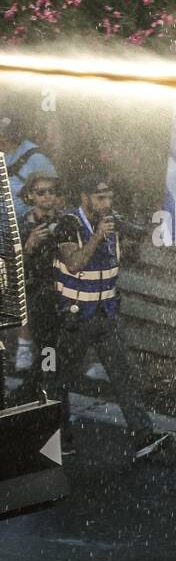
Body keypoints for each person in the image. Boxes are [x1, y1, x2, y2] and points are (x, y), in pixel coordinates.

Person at [48, 174, 171, 459]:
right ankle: (59, 438)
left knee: (124, 378)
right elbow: (74, 263)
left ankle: (143, 438)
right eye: (100, 198)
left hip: (107, 315)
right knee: (60, 381)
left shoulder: (111, 222)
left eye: (109, 198)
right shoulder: (69, 224)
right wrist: (98, 236)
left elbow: (136, 241)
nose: (107, 203)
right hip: (75, 318)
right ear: (85, 197)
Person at [12, 170, 63, 400]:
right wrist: (29, 245)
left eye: (51, 192)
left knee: (53, 350)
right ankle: (40, 391)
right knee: (49, 348)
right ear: (30, 195)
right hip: (36, 294)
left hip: (61, 293)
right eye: (41, 192)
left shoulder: (63, 222)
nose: (47, 197)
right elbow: (14, 267)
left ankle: (30, 392)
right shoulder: (21, 226)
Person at [1, 114, 57, 220]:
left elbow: (56, 197)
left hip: (29, 224)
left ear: (5, 136)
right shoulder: (3, 154)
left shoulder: (36, 158)